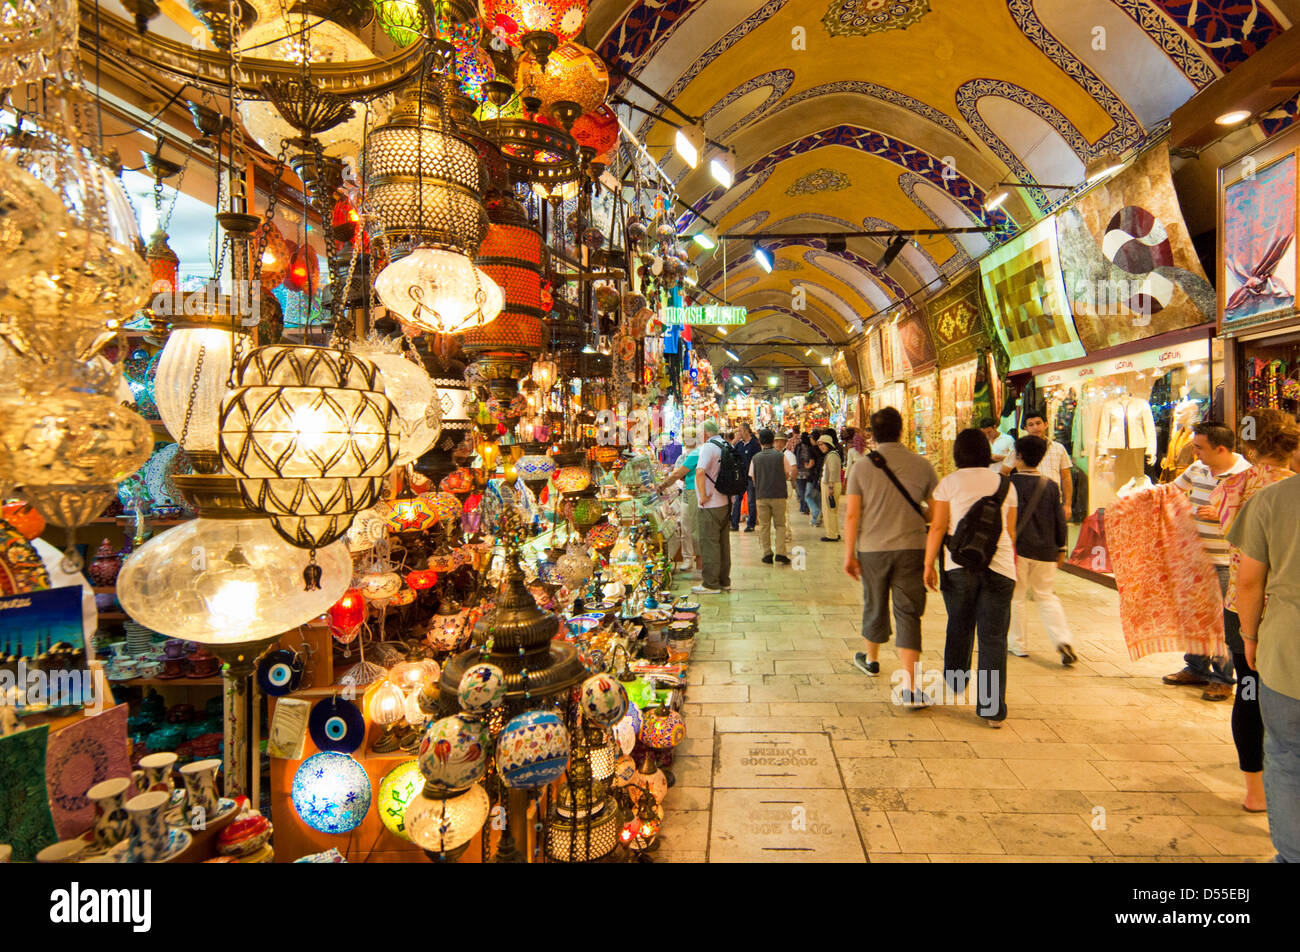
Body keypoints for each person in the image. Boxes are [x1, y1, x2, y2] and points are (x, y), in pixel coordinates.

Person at [1211, 408, 1299, 813]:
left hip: (1241, 610)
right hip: (1286, 613)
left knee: (1248, 693)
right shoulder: (1291, 490)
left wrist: (1247, 633)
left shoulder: (1231, 489)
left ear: (1247, 444)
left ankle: (1255, 790)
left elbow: (1245, 573)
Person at [1226, 466, 1300, 862]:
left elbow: (1249, 581)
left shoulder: (1273, 499)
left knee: (1288, 756)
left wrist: (1249, 635)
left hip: (1288, 651)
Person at [844, 407, 938, 707]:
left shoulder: (860, 467)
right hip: (912, 548)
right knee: (908, 611)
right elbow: (937, 514)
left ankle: (871, 660)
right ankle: (909, 686)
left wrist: (849, 554)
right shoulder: (922, 465)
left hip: (872, 549)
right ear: (902, 430)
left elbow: (852, 515)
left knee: (875, 601)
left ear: (871, 433)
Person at [924, 428, 1018, 726]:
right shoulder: (1006, 485)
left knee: (960, 625)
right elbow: (1011, 533)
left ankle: (954, 682)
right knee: (993, 638)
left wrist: (927, 565)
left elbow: (938, 528)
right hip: (1000, 568)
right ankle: (991, 710)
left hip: (958, 567)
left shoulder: (948, 483)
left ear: (958, 454)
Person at [1165, 421, 1251, 701]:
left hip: (1225, 561)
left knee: (1222, 622)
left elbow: (1254, 520)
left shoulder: (1245, 475)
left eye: (1200, 448)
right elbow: (1173, 491)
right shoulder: (1197, 468)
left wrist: (1223, 515)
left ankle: (1223, 678)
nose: (1195, 453)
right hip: (1194, 556)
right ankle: (1196, 667)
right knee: (1195, 615)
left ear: (1221, 448)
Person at [1008, 435, 1076, 664]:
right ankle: (1062, 640)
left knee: (1016, 597)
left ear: (1019, 456)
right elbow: (1059, 520)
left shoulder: (1011, 484)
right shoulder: (1050, 486)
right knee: (1046, 596)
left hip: (1019, 550)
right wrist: (1062, 549)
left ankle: (1018, 645)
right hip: (1046, 550)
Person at [1002, 410, 1071, 522]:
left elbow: (1066, 477)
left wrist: (1067, 504)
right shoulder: (1018, 449)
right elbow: (1004, 472)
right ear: (1025, 428)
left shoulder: (1058, 448)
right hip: (1024, 504)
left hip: (1052, 502)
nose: (1035, 427)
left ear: (1046, 424)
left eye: (1038, 423)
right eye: (1031, 425)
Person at [693, 420, 732, 595]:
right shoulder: (725, 444)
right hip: (725, 501)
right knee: (723, 543)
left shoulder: (708, 447)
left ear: (706, 433)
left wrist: (702, 496)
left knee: (709, 543)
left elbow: (700, 472)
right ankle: (724, 580)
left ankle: (710, 583)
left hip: (710, 504)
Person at [657, 428, 701, 577]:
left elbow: (677, 474)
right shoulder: (684, 456)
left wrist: (663, 485)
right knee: (688, 527)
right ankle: (689, 558)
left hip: (693, 493)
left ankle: (695, 560)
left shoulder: (696, 454)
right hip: (688, 494)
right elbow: (678, 474)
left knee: (691, 528)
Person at [750, 428, 790, 565]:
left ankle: (767, 553)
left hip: (762, 496)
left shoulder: (755, 458)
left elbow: (753, 478)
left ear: (760, 441)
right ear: (773, 441)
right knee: (780, 525)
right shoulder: (780, 456)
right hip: (778, 495)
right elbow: (787, 473)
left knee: (764, 526)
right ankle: (780, 553)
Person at [731, 423, 762, 533]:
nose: (738, 433)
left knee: (751, 501)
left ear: (746, 431)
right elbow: (729, 451)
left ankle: (751, 524)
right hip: (740, 477)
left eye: (740, 431)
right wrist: (735, 440)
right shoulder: (739, 445)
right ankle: (734, 524)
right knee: (737, 501)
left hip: (750, 477)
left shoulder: (755, 445)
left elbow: (758, 460)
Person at [818, 433, 842, 542]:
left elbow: (833, 471)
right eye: (819, 445)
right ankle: (835, 532)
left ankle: (831, 534)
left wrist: (831, 487)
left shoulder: (832, 455)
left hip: (830, 485)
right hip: (829, 485)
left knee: (829, 510)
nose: (821, 447)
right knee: (832, 510)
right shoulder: (832, 455)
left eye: (822, 444)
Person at [802, 432, 824, 527]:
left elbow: (811, 462)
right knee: (817, 497)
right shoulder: (822, 448)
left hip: (812, 476)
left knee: (808, 496)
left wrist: (806, 466)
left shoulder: (811, 449)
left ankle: (816, 512)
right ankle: (817, 520)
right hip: (820, 475)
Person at [795, 432, 813, 515]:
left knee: (801, 491)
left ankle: (803, 507)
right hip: (808, 472)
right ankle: (805, 507)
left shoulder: (799, 446)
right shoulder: (809, 447)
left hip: (799, 472)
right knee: (806, 491)